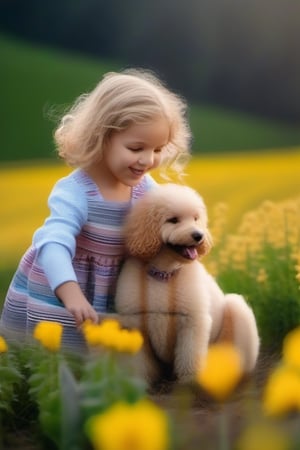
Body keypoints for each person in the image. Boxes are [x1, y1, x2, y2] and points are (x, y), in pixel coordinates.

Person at [0, 68, 191, 348]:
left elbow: (166, 229)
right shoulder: (77, 191)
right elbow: (53, 243)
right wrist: (71, 294)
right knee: (56, 362)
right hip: (63, 290)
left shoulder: (145, 190)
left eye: (158, 149)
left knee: (108, 362)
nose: (148, 160)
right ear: (101, 136)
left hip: (115, 291)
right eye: (136, 148)